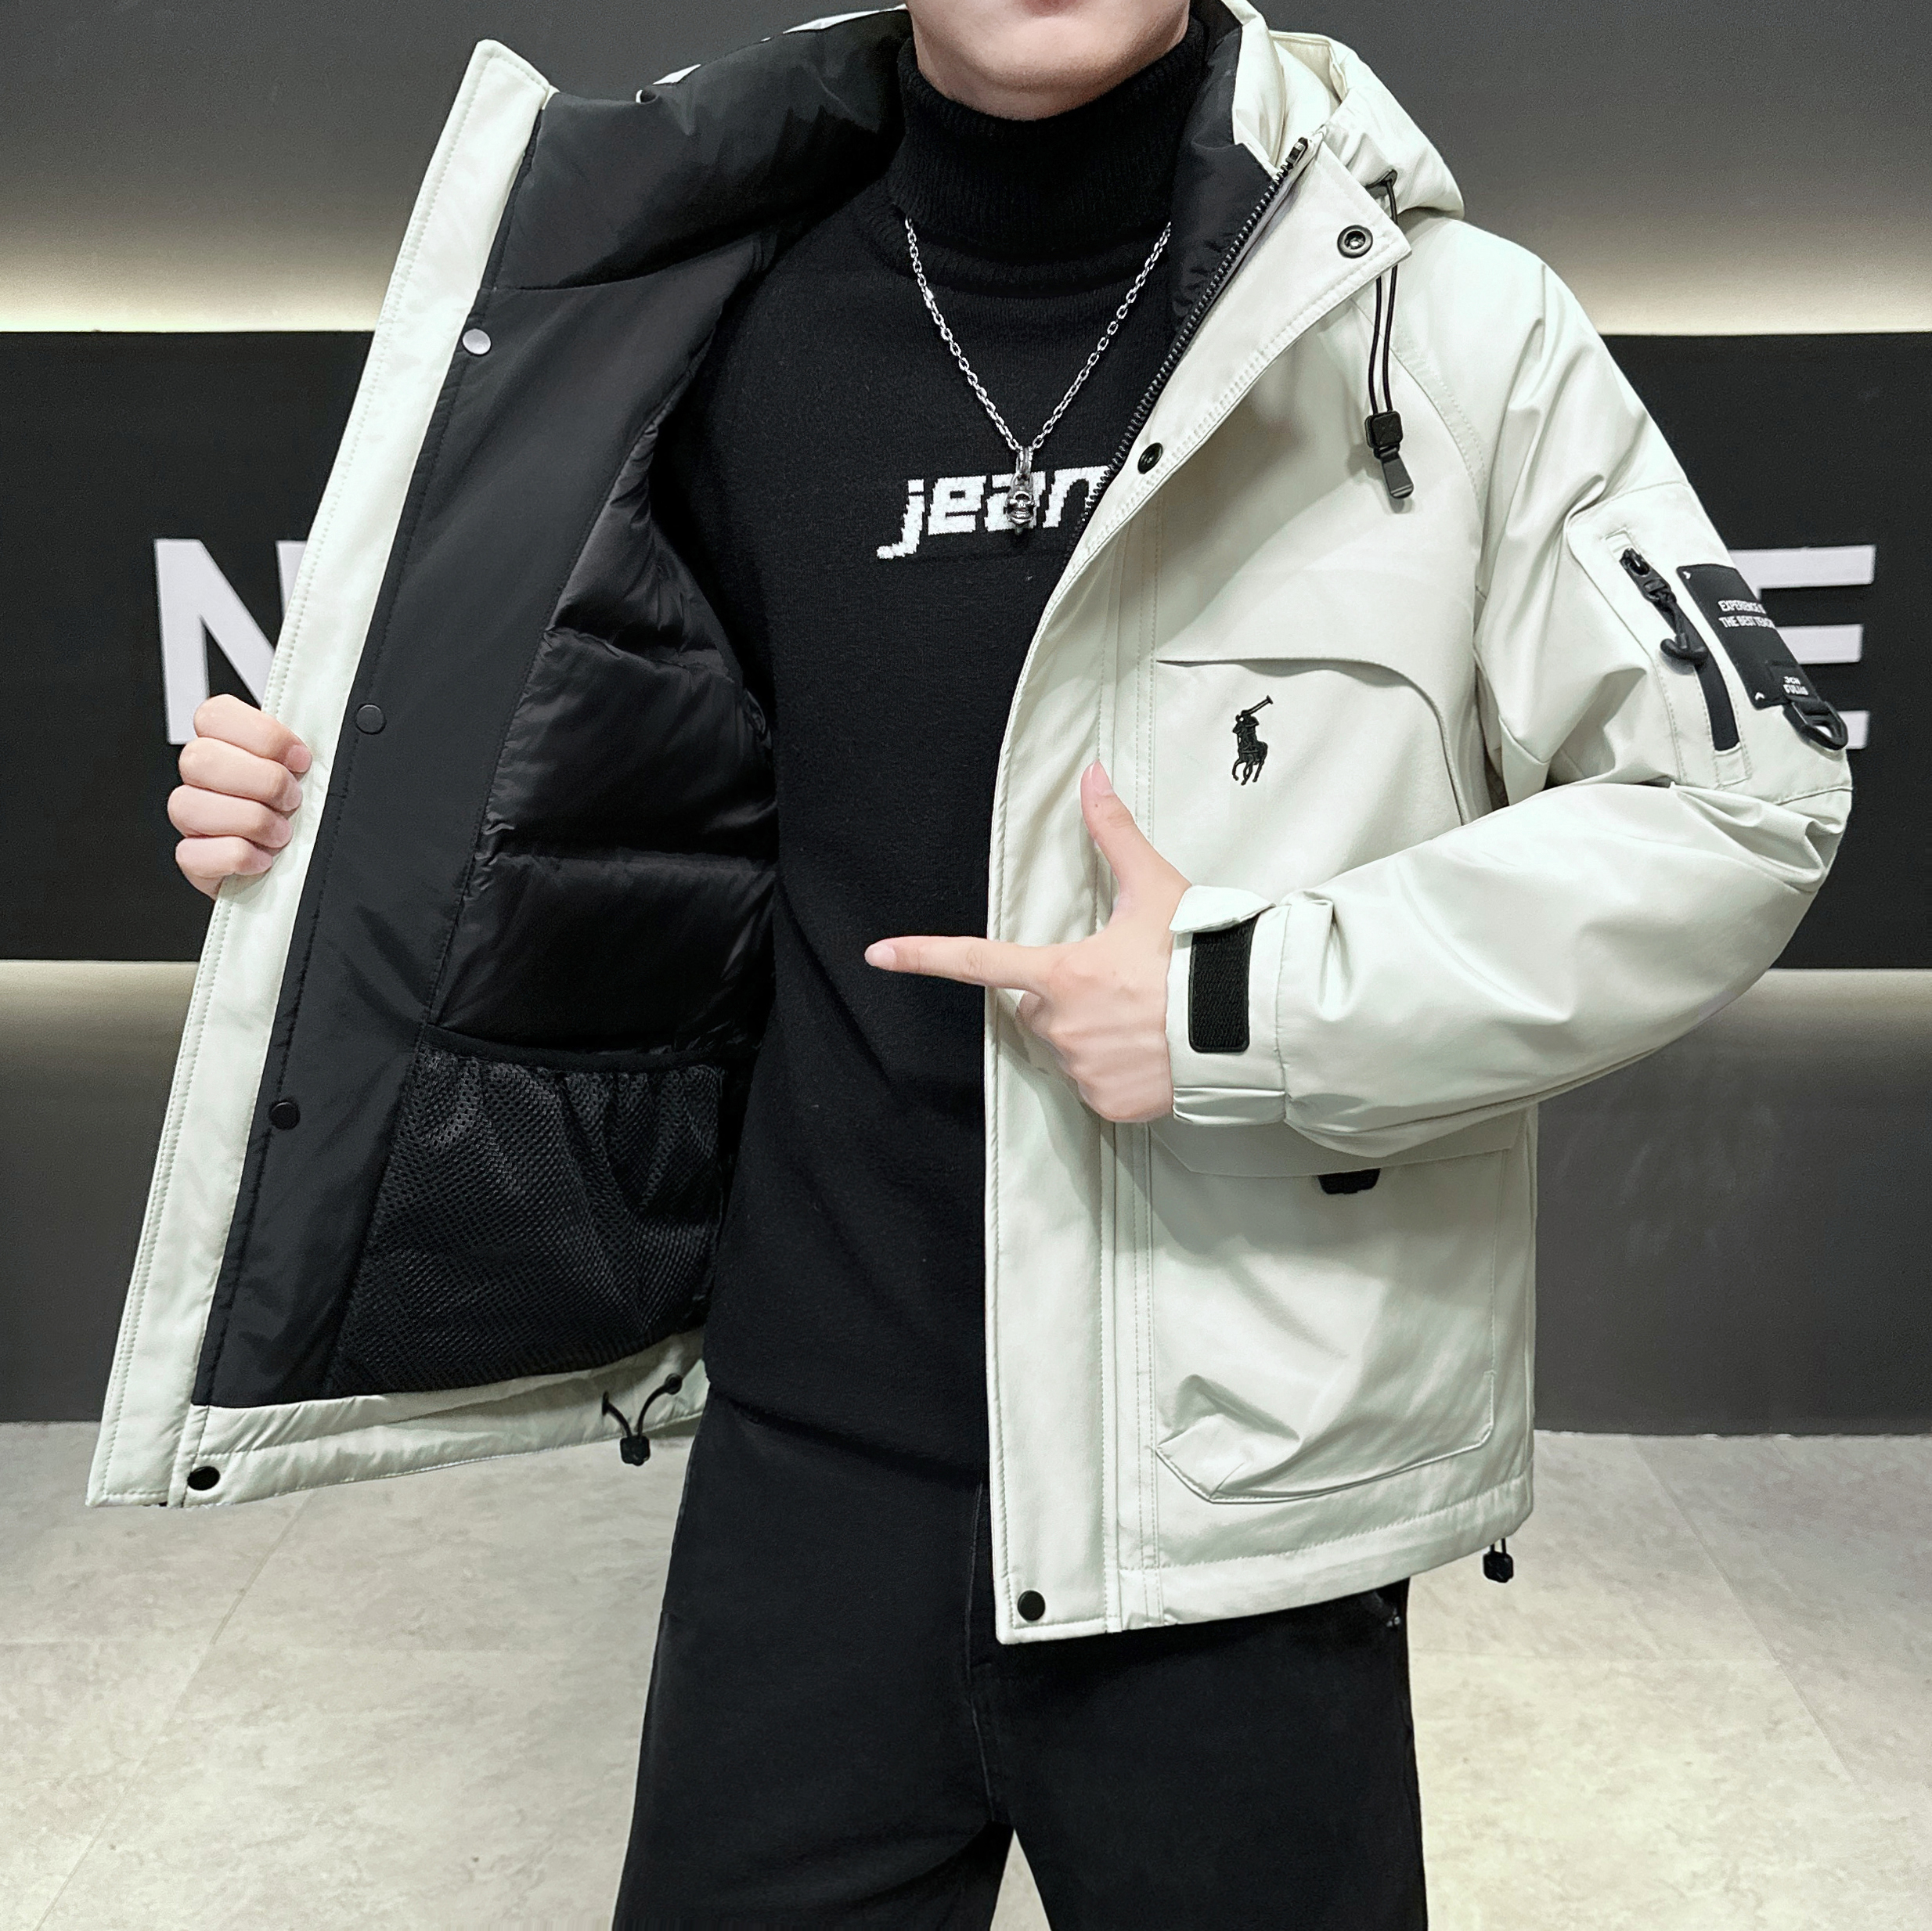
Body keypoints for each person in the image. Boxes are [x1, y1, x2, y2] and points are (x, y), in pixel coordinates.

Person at [139, 0, 1851, 1924]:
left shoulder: (1441, 327)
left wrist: (1241, 1002)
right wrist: (324, 823)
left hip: (1229, 1494)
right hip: (807, 1470)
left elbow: (1739, 803)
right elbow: (622, 803)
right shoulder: (698, 313)